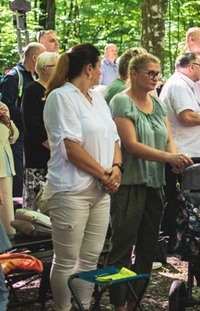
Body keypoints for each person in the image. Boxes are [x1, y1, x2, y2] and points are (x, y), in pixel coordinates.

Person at [109, 53, 193, 311]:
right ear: (134, 74)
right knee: (122, 246)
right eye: (151, 73)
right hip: (130, 185)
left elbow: (168, 137)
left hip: (155, 184)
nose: (156, 78)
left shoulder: (157, 104)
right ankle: (118, 303)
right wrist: (169, 156)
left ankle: (135, 300)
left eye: (158, 74)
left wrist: (174, 158)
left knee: (148, 248)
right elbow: (131, 145)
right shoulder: (121, 102)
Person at [43, 44, 121, 311]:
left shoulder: (97, 98)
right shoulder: (60, 97)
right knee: (66, 259)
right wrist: (104, 174)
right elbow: (71, 147)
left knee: (90, 258)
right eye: (100, 66)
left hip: (100, 191)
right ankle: (63, 309)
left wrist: (117, 168)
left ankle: (83, 306)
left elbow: (113, 137)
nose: (102, 72)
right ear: (89, 68)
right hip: (70, 190)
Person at [159, 52, 200, 250]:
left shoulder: (183, 84)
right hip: (180, 153)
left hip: (186, 148)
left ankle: (181, 237)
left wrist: (199, 134)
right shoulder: (178, 85)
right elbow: (185, 116)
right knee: (176, 199)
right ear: (192, 66)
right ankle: (172, 240)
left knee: (183, 198)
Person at [0, 41, 45, 197]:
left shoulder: (34, 78)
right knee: (19, 176)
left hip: (30, 135)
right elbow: (5, 107)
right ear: (34, 57)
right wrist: (29, 113)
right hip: (17, 137)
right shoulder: (13, 78)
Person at [21, 51, 59, 210]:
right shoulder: (32, 90)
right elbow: (32, 124)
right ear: (44, 69)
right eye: (55, 66)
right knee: (37, 194)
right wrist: (51, 145)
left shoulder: (58, 90)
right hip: (38, 150)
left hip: (57, 152)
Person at [0, 103, 18, 234]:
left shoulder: (2, 107)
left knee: (6, 204)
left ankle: (8, 237)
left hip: (5, 164)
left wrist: (7, 120)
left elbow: (13, 138)